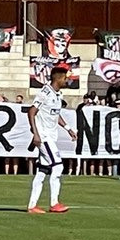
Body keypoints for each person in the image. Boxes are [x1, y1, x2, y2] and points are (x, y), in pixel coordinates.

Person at [27, 65, 78, 214]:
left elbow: (55, 114)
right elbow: (31, 112)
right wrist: (36, 134)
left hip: (50, 136)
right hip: (44, 137)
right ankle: (54, 203)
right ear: (59, 78)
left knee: (42, 171)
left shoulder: (58, 94)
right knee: (58, 166)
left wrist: (68, 128)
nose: (67, 81)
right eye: (66, 78)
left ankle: (32, 206)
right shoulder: (45, 93)